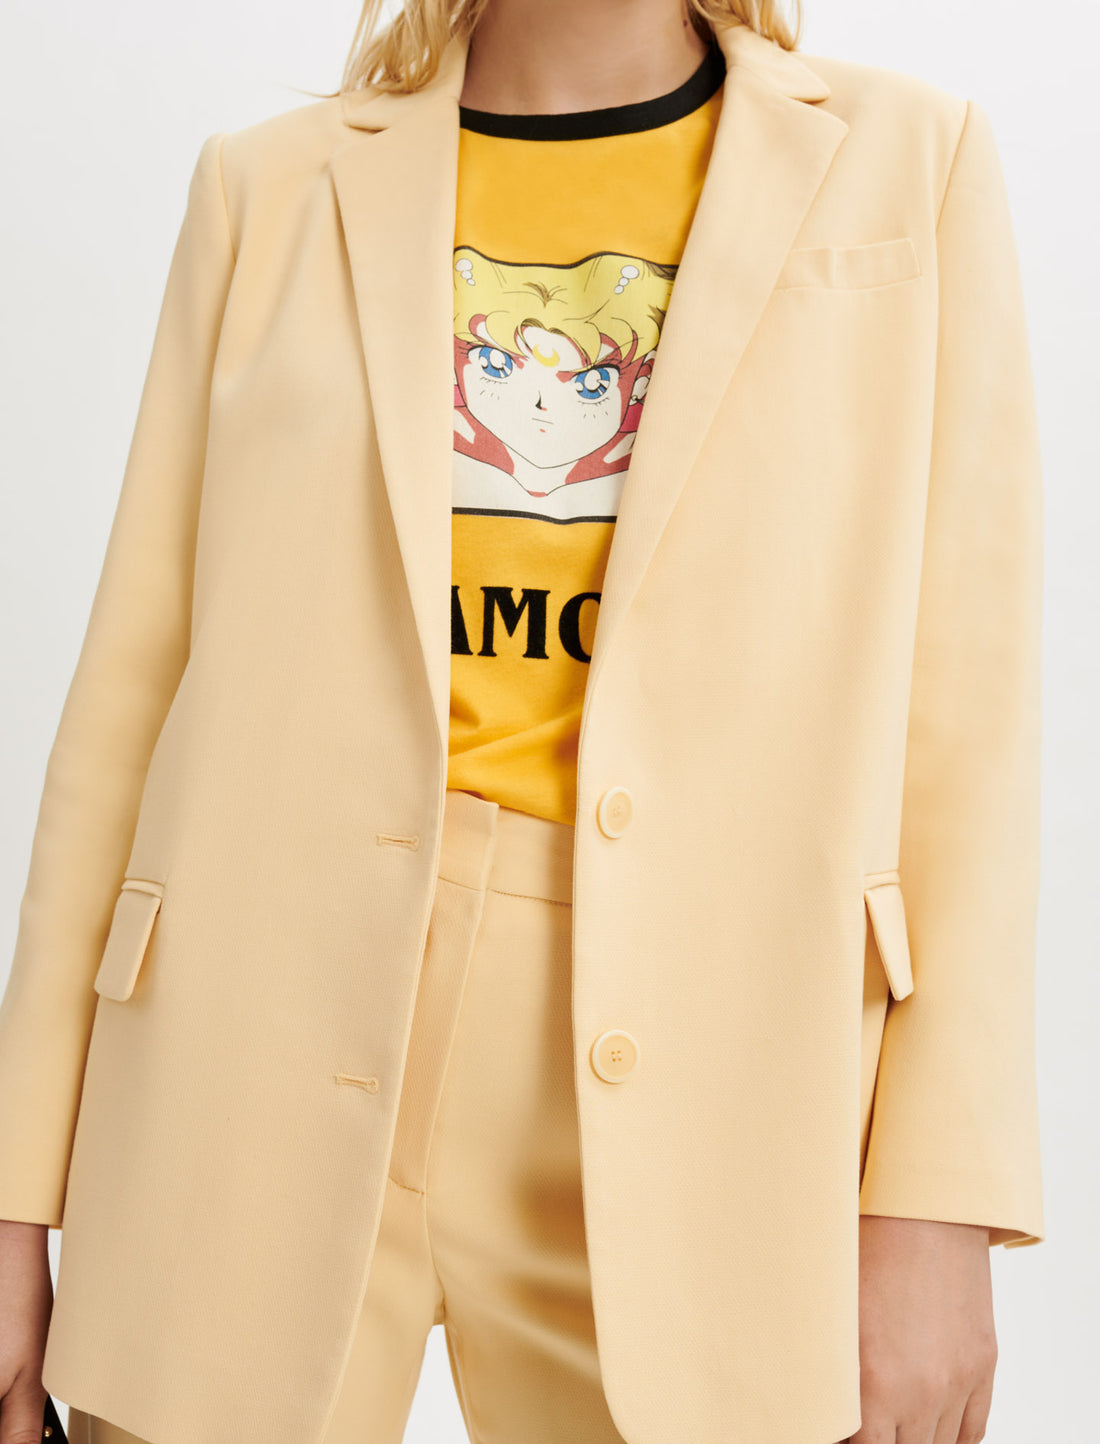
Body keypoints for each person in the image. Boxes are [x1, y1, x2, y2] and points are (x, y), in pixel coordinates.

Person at [0, 1, 1045, 1442]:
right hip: (244, 1061)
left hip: (722, 1077)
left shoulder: (910, 163)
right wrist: (14, 1191)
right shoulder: (269, 186)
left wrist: (938, 1200)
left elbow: (968, 728)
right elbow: (128, 698)